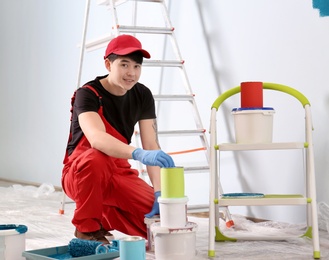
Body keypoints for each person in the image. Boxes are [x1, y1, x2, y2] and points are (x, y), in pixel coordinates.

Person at [61, 34, 175, 244]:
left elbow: (151, 143)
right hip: (81, 172)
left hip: (118, 172)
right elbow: (96, 139)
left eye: (136, 66)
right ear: (108, 64)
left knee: (162, 223)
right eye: (124, 64)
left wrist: (160, 191)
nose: (131, 73)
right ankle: (86, 229)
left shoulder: (142, 95)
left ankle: (102, 214)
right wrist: (138, 154)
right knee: (96, 158)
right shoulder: (87, 94)